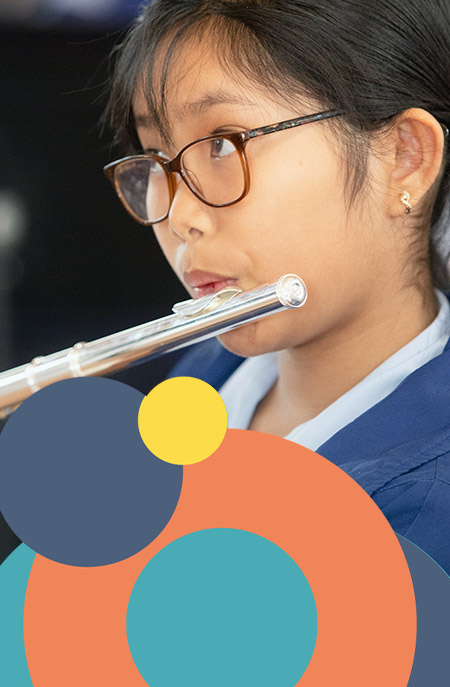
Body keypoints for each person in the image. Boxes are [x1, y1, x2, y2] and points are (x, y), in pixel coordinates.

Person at [103, 0, 450, 575]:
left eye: (222, 143)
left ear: (404, 160)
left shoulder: (422, 516)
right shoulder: (206, 375)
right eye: (156, 159)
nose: (181, 215)